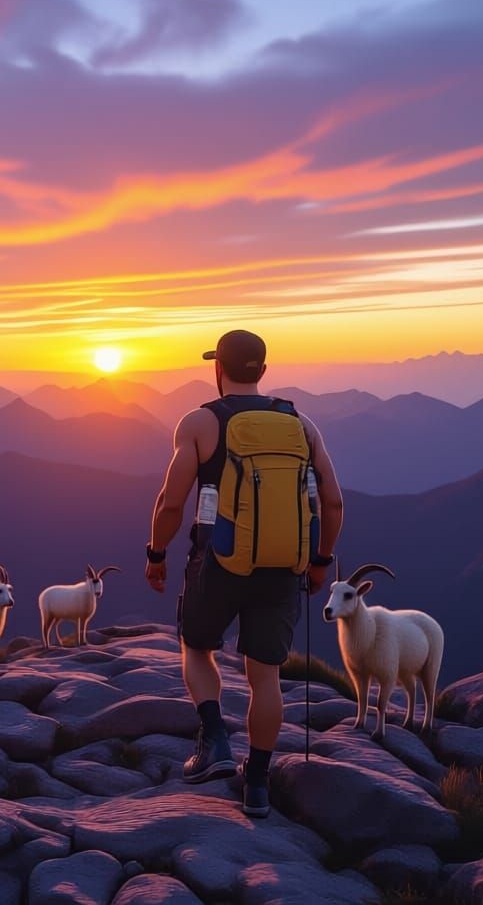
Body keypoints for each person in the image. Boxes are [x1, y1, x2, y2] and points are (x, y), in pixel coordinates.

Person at [146, 330, 343, 816]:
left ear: (219, 369)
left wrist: (156, 553)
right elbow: (333, 501)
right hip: (282, 566)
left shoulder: (199, 423)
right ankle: (256, 784)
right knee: (266, 676)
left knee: (196, 647)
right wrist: (319, 561)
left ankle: (213, 739)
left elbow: (171, 501)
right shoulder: (302, 425)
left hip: (218, 561)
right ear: (263, 370)